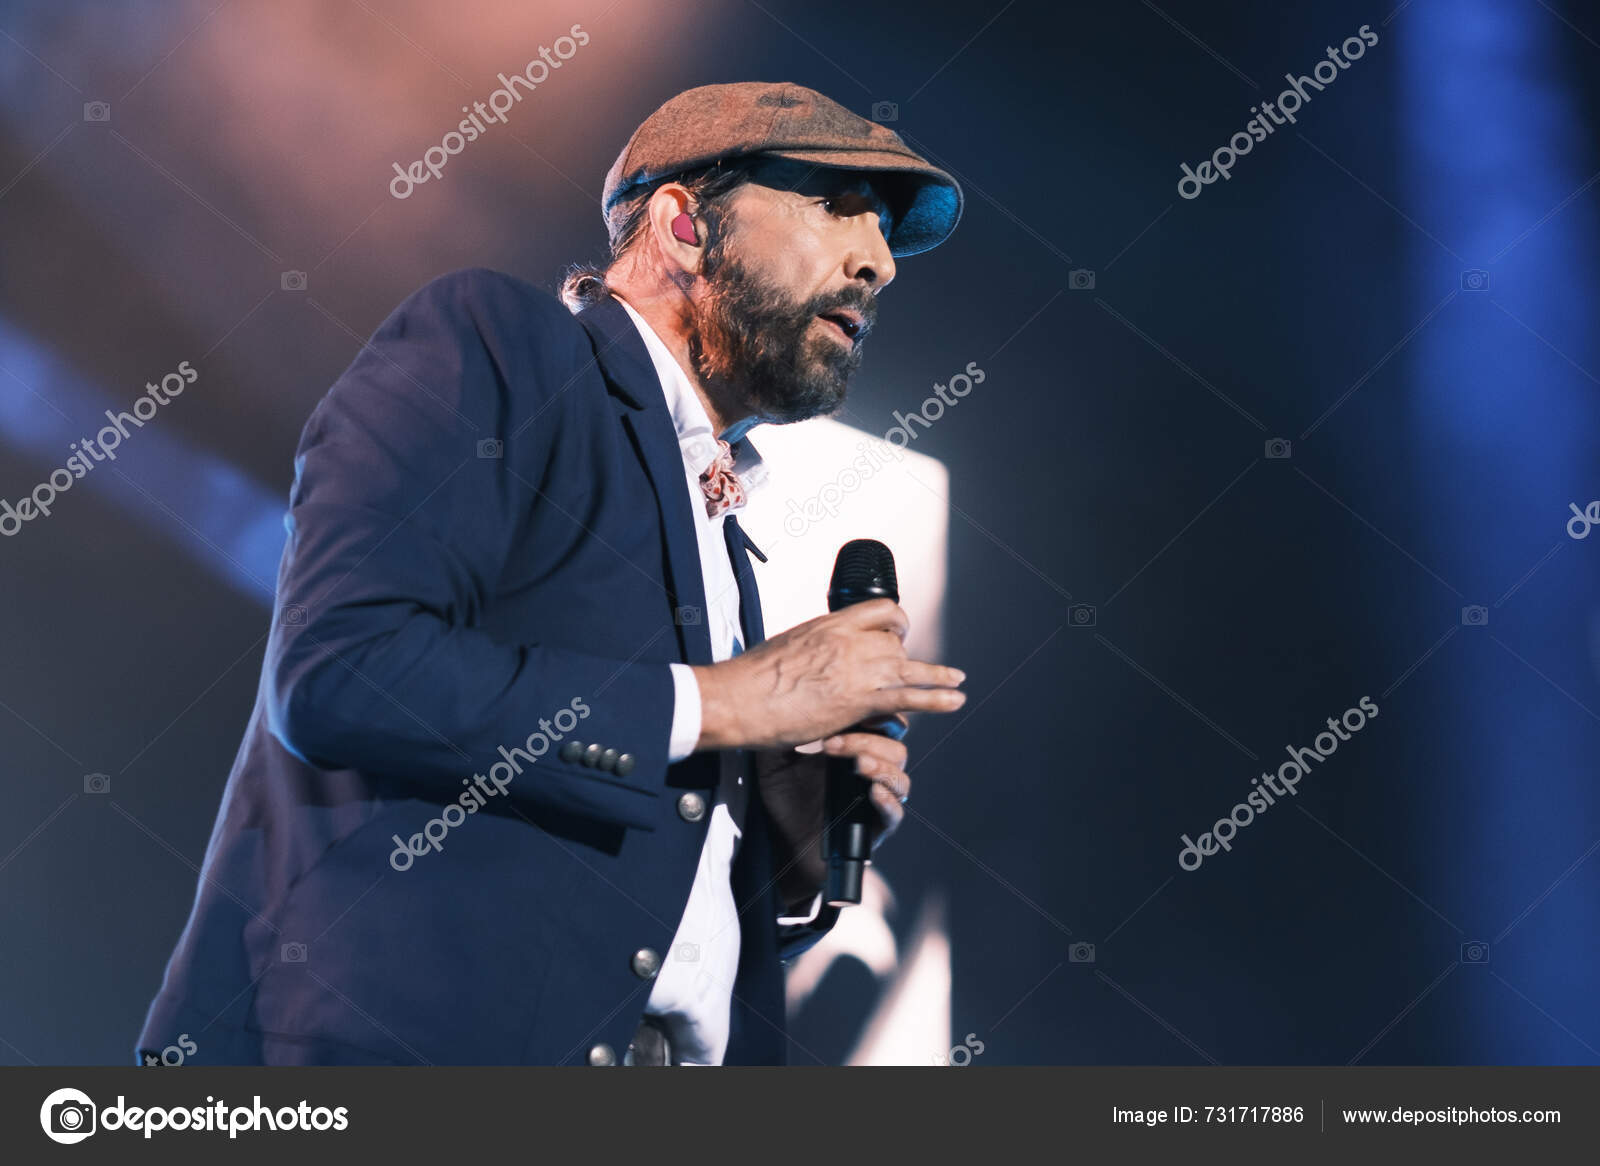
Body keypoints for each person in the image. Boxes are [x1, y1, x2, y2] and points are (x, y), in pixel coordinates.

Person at [136, 81, 967, 1067]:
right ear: (684, 224)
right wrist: (721, 704)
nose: (877, 260)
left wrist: (781, 841)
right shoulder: (500, 345)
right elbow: (341, 668)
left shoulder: (721, 526)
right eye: (838, 208)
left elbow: (641, 919)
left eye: (881, 233)